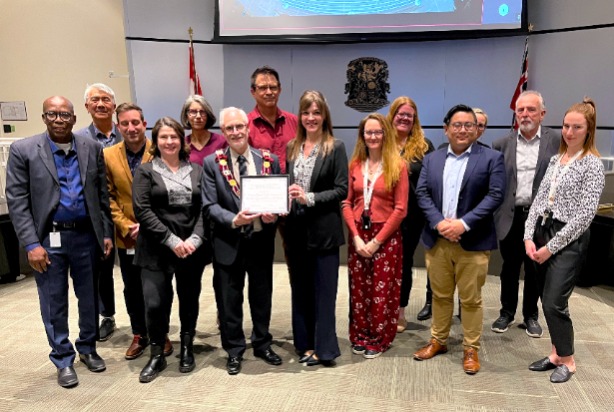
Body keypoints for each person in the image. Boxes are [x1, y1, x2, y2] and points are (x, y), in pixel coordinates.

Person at [6, 96, 113, 388]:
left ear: (74, 118)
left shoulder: (91, 147)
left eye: (65, 114)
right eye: (52, 114)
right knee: (54, 301)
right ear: (44, 117)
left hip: (85, 237)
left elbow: (101, 196)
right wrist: (30, 244)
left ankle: (88, 348)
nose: (59, 119)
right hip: (47, 239)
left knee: (89, 297)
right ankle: (63, 358)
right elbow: (17, 201)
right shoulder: (23, 150)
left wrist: (104, 233)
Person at [413, 104, 505, 375]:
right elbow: (422, 194)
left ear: (477, 129)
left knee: (471, 299)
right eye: (457, 125)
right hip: (437, 239)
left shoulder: (491, 158)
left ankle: (470, 348)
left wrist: (463, 224)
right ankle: (438, 340)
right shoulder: (433, 159)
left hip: (473, 241)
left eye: (469, 125)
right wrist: (439, 222)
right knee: (440, 296)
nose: (463, 130)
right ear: (446, 129)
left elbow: (495, 196)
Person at [524, 98, 604, 383]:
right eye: (566, 126)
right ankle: (556, 353)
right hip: (543, 231)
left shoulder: (592, 165)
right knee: (547, 299)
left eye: (577, 127)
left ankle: (568, 361)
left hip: (568, 239)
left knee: (555, 302)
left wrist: (550, 248)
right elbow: (538, 201)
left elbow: (584, 217)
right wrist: (528, 237)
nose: (569, 132)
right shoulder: (557, 160)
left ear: (588, 129)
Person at [202, 107, 283, 375]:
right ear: (223, 132)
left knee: (262, 296)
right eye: (229, 128)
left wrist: (274, 216)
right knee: (229, 300)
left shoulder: (269, 160)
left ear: (248, 127)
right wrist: (233, 220)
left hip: (260, 240)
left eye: (239, 126)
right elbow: (209, 205)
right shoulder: (213, 163)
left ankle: (262, 343)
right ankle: (234, 349)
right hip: (228, 241)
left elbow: (279, 201)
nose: (236, 132)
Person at [132, 117, 209, 382]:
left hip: (191, 249)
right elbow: (142, 210)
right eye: (163, 137)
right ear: (156, 141)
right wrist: (172, 240)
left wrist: (195, 239)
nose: (169, 141)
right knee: (155, 303)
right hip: (156, 248)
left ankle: (187, 347)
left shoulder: (197, 170)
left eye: (173, 136)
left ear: (182, 139)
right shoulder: (145, 171)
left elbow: (204, 208)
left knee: (189, 300)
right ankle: (157, 355)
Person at [104, 103, 172, 360]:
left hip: (156, 232)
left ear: (145, 124)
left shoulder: (161, 150)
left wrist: (151, 223)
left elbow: (168, 193)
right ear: (118, 126)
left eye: (136, 123)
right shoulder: (108, 155)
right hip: (127, 235)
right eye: (125, 123)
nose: (131, 128)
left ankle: (161, 332)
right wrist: (124, 224)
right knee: (132, 288)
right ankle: (139, 334)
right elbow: (108, 196)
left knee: (160, 286)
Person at [286, 91, 348, 367]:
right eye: (306, 112)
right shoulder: (291, 146)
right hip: (295, 230)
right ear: (300, 116)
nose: (311, 118)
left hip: (324, 231)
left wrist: (309, 197)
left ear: (324, 116)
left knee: (324, 293)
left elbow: (341, 189)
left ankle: (324, 349)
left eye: (316, 112)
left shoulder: (335, 146)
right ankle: (304, 344)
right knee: (300, 290)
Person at [491, 91, 560, 338]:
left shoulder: (556, 141)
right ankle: (506, 312)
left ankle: (530, 315)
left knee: (535, 269)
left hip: (541, 219)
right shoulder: (501, 144)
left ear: (542, 113)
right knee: (509, 267)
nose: (525, 115)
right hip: (511, 216)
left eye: (531, 110)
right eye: (520, 110)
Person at [342, 113, 408, 359]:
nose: (373, 137)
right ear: (362, 136)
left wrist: (377, 240)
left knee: (382, 291)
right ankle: (359, 334)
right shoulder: (355, 165)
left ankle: (379, 337)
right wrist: (357, 237)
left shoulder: (397, 165)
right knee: (359, 289)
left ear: (386, 134)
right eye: (368, 132)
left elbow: (401, 209)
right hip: (359, 234)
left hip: (386, 236)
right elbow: (347, 202)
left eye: (377, 132)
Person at [75, 83, 122, 341]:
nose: (101, 104)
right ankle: (107, 315)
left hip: (126, 209)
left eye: (106, 99)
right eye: (95, 100)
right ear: (87, 107)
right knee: (101, 267)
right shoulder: (79, 140)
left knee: (135, 266)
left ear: (114, 106)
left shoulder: (127, 133)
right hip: (96, 212)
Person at [386, 96, 435, 330]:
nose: (404, 118)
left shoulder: (425, 147)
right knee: (381, 264)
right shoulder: (380, 141)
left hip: (411, 218)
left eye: (409, 115)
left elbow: (431, 184)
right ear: (392, 115)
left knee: (402, 264)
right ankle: (380, 308)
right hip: (381, 215)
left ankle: (400, 312)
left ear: (414, 119)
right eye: (400, 113)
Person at [247, 66, 298, 174]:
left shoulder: (295, 122)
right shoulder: (245, 125)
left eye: (273, 87)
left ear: (280, 90)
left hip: (293, 187)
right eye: (263, 88)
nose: (269, 92)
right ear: (253, 92)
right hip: (260, 187)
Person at [180, 95, 227, 165]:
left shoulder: (222, 142)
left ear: (208, 115)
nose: (198, 116)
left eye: (202, 112)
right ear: (186, 116)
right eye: (193, 112)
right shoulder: (182, 144)